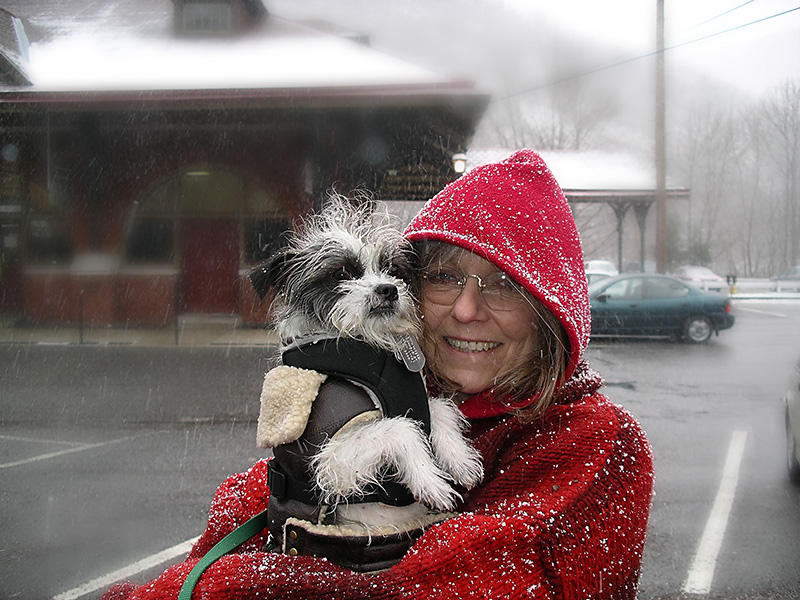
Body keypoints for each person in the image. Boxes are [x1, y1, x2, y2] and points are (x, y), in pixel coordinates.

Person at [103, 149, 654, 600]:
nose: (466, 310)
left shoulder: (594, 444)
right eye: (444, 277)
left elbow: (468, 581)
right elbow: (250, 505)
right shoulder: (394, 387)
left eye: (504, 284)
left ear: (550, 313)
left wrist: (244, 581)